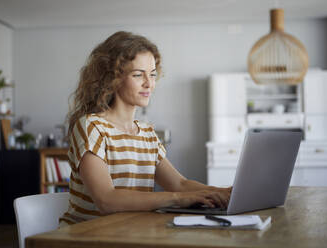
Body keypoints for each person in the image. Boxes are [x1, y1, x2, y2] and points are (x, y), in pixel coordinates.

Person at [59, 31, 231, 226]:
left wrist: (221, 192)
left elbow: (179, 184)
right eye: (138, 75)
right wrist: (176, 198)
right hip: (85, 237)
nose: (149, 84)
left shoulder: (147, 134)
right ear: (112, 79)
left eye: (152, 74)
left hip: (130, 234)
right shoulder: (91, 126)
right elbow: (106, 200)